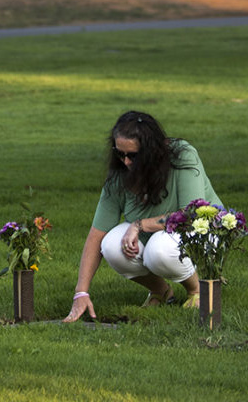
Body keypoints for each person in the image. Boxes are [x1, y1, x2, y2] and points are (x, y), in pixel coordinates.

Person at [63, 111, 222, 323]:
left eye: (133, 156)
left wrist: (140, 225)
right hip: (157, 235)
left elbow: (191, 214)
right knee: (111, 245)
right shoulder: (119, 174)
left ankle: (197, 291)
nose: (126, 161)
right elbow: (96, 234)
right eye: (120, 154)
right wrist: (81, 293)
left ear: (152, 151)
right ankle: (162, 292)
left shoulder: (183, 155)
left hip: (200, 232)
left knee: (159, 250)